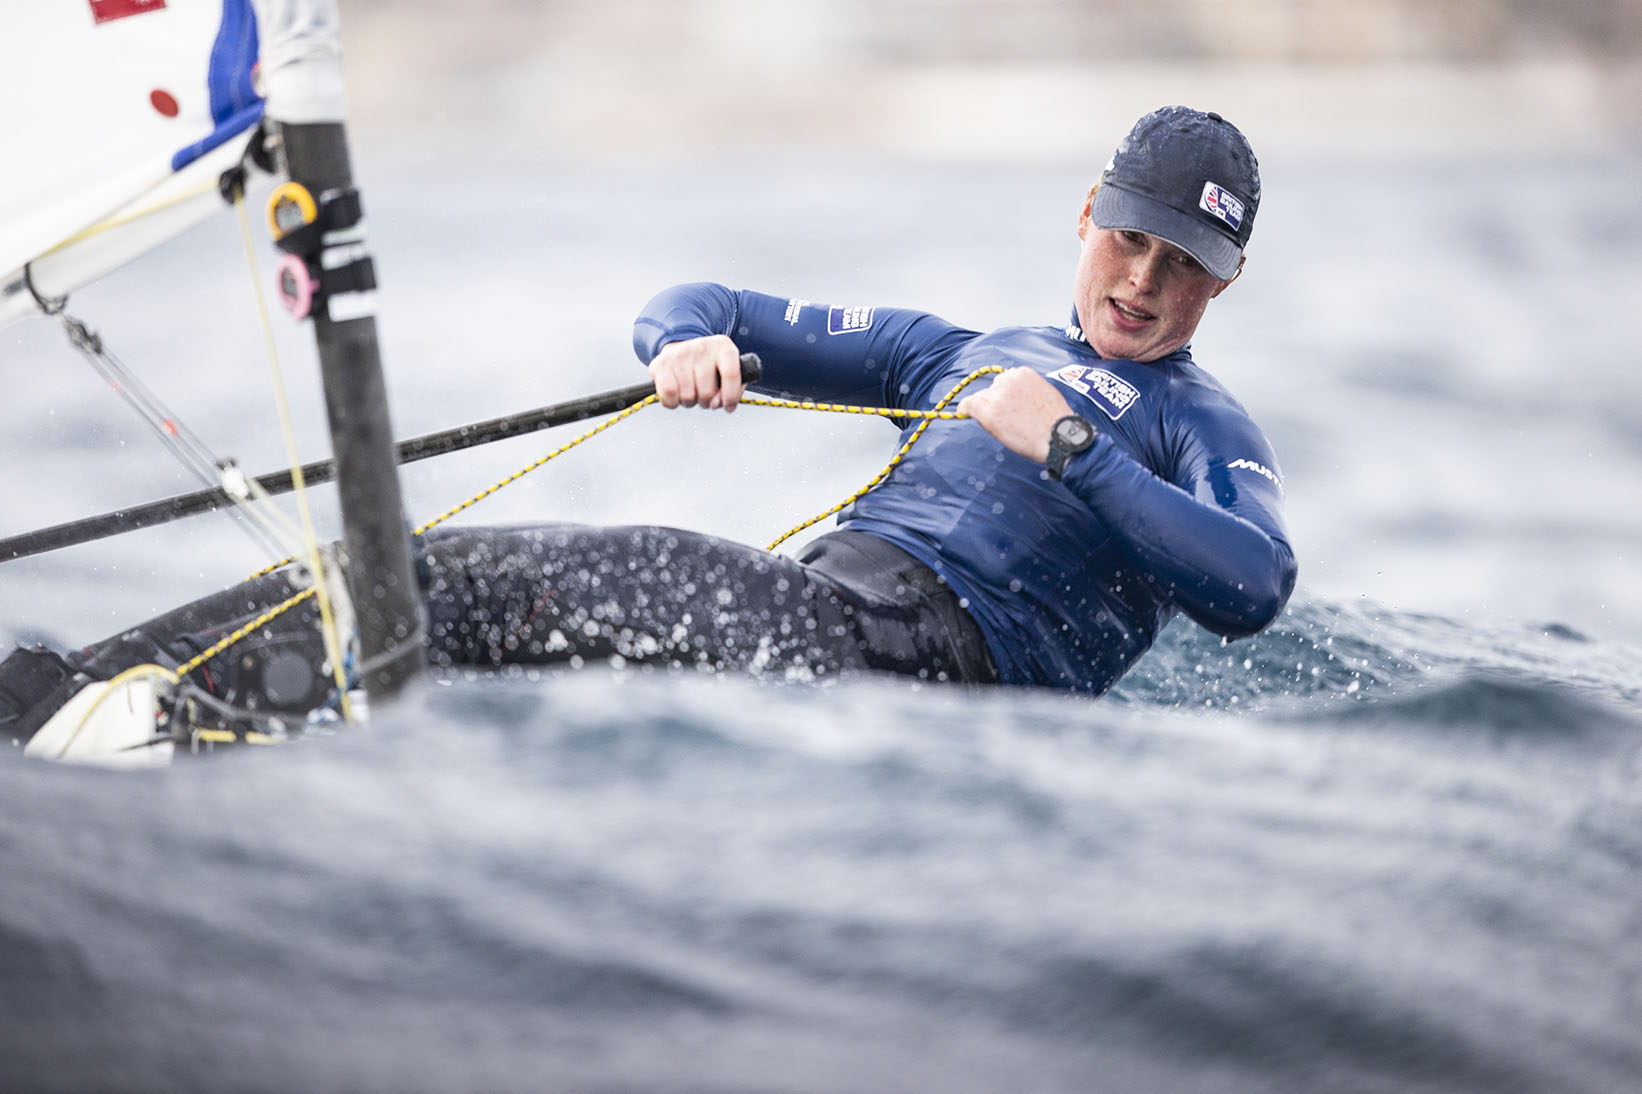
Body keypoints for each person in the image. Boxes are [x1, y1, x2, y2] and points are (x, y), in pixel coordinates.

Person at [1, 105, 1294, 745]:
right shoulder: (958, 353)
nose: (1142, 281)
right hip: (810, 643)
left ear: (1222, 280)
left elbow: (1254, 582)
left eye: (1183, 264)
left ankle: (103, 715)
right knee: (420, 598)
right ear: (1086, 213)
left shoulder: (1201, 426)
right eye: (1129, 239)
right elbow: (713, 299)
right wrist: (682, 345)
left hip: (903, 679)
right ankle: (99, 708)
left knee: (443, 582)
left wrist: (1065, 444)